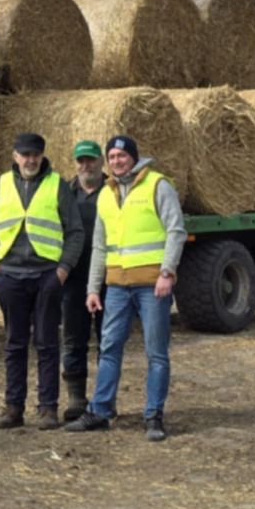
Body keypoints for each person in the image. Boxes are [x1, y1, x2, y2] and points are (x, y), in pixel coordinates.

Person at [65, 135, 187, 441]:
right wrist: (94, 289)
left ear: (134, 157)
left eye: (122, 155)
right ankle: (100, 411)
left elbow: (176, 230)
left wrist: (167, 272)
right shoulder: (107, 193)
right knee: (109, 349)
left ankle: (153, 416)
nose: (117, 161)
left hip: (152, 286)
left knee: (156, 352)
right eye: (113, 156)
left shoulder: (158, 186)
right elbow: (99, 246)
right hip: (117, 286)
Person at [0, 132, 84, 431]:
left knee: (47, 344)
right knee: (14, 344)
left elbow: (75, 231)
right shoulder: (0, 185)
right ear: (15, 157)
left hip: (46, 276)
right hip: (10, 276)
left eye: (35, 154)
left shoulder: (57, 185)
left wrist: (62, 270)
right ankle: (14, 408)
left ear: (42, 155)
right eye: (25, 154)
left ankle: (48, 409)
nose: (30, 160)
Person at [60, 140, 106, 422]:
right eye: (81, 161)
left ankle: (103, 396)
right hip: (74, 277)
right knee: (73, 338)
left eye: (90, 160)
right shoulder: (64, 192)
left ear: (101, 162)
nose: (85, 165)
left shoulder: (115, 191)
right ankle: (76, 398)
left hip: (108, 277)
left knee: (108, 340)